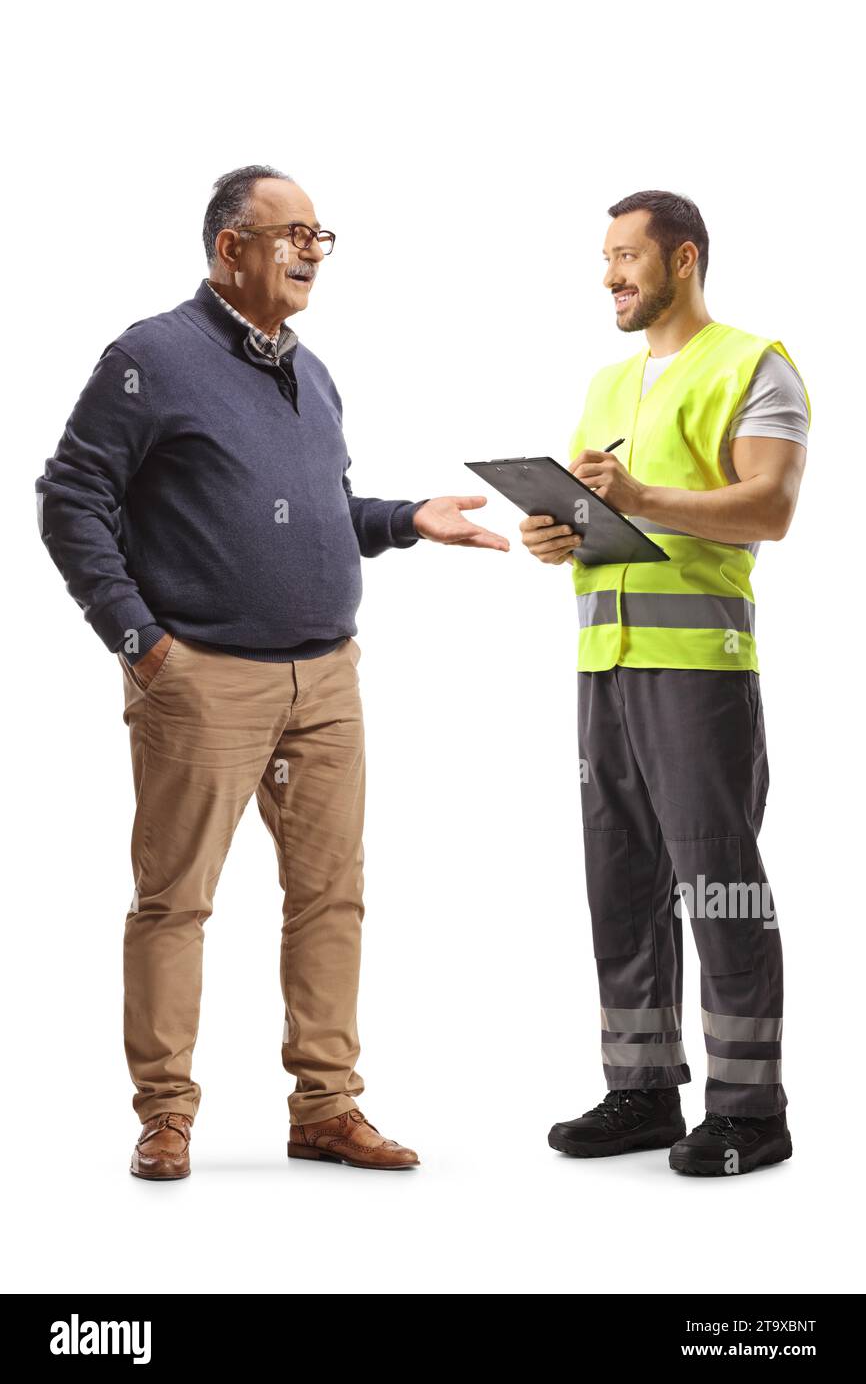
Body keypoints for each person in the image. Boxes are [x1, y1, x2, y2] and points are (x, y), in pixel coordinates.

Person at [36, 163, 508, 1180]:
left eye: (318, 235)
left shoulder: (312, 369)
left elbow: (316, 509)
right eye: (288, 232)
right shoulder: (150, 357)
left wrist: (402, 521)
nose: (308, 250)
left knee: (330, 895)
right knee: (175, 900)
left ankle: (325, 1107)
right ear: (229, 249)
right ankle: (165, 1114)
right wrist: (142, 644)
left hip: (326, 681)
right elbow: (68, 497)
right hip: (200, 679)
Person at [521, 190, 809, 1176]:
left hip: (697, 674)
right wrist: (553, 532)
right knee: (622, 883)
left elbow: (767, 506)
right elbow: (605, 525)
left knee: (719, 885)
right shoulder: (604, 384)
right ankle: (640, 1090)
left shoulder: (751, 363)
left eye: (625, 256)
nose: (608, 274)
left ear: (681, 259)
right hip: (603, 665)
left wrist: (639, 496)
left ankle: (748, 1107)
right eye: (603, 258)